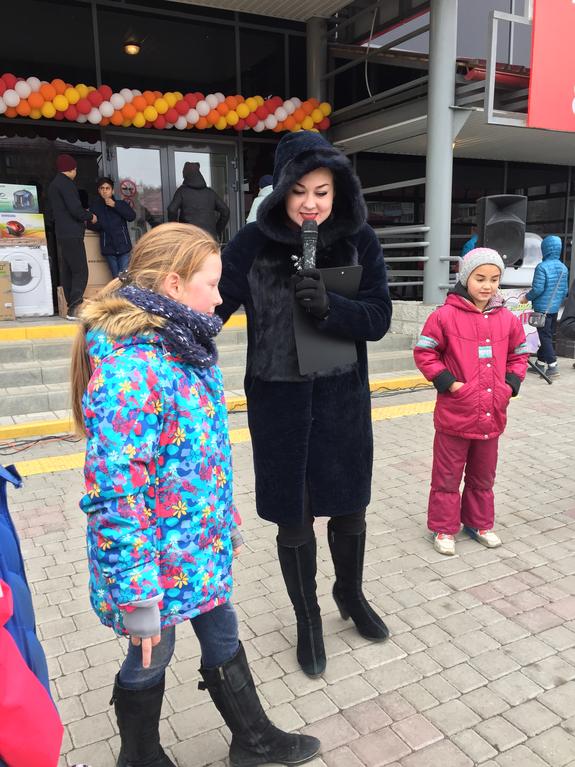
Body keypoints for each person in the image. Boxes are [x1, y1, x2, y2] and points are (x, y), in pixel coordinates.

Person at [70, 223, 320, 767]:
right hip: (152, 564)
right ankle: (139, 756)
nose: (220, 295)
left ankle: (253, 740)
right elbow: (116, 496)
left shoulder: (184, 347)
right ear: (173, 285)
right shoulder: (132, 370)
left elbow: (201, 458)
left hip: (195, 547)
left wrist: (224, 520)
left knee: (222, 631)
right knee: (152, 653)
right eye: (212, 283)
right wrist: (137, 592)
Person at [216, 131, 392, 679]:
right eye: (298, 192)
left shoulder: (358, 238)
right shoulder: (252, 242)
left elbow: (379, 317)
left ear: (338, 190)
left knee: (350, 506)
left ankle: (350, 593)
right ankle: (307, 617)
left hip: (342, 400)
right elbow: (210, 306)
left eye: (322, 191)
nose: (311, 204)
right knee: (293, 518)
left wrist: (333, 307)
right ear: (280, 191)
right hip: (279, 404)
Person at [414, 248, 529, 557]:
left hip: (492, 412)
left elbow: (519, 354)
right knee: (447, 476)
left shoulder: (507, 319)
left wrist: (510, 385)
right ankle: (443, 527)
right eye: (480, 278)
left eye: (494, 279)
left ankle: (479, 523)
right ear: (466, 278)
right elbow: (425, 352)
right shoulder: (444, 316)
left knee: (483, 475)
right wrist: (449, 383)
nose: (487, 286)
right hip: (456, 412)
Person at [47, 154, 96, 319]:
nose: (76, 172)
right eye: (75, 169)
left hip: (62, 233)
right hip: (72, 232)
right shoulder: (66, 184)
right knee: (81, 271)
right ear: (71, 169)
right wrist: (90, 216)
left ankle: (71, 306)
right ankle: (74, 308)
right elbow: (75, 209)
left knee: (68, 270)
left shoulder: (54, 185)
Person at [520, 235, 569, 378]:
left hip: (542, 309)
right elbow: (564, 290)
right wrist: (556, 303)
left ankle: (553, 366)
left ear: (545, 249)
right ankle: (540, 364)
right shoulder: (563, 268)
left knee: (544, 336)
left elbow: (538, 289)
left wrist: (526, 298)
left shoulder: (542, 267)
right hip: (554, 309)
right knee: (547, 335)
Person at [167, 162, 230, 241]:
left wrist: (176, 230)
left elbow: (171, 210)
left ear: (186, 175)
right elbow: (226, 211)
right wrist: (217, 230)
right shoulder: (210, 192)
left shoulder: (182, 191)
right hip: (209, 238)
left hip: (189, 238)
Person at [89, 177, 136, 278]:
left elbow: (131, 217)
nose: (105, 191)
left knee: (124, 278)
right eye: (102, 188)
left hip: (123, 247)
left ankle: (124, 289)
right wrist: (97, 223)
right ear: (99, 191)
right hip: (108, 248)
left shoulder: (121, 204)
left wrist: (115, 205)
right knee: (116, 278)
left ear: (112, 190)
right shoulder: (95, 207)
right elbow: (91, 225)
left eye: (107, 188)